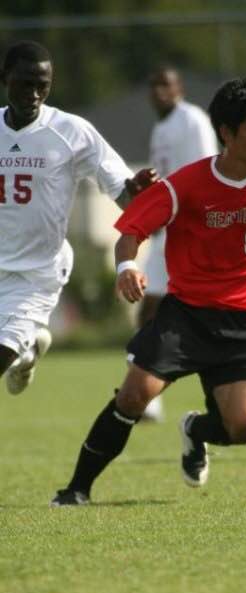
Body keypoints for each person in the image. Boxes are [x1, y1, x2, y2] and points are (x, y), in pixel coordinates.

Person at [51, 76, 246, 506]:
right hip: (185, 316)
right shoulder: (186, 184)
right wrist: (127, 267)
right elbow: (130, 230)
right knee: (133, 396)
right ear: (226, 133)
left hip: (244, 324)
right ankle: (76, 489)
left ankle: (195, 429)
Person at [0, 40, 156, 396]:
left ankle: (18, 346)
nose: (35, 93)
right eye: (26, 83)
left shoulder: (71, 132)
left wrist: (136, 192)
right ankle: (26, 351)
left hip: (34, 275)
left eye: (44, 85)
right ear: (4, 78)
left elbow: (124, 195)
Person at [140, 65, 219, 421]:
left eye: (166, 85)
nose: (160, 91)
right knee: (150, 307)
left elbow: (208, 170)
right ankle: (146, 395)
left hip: (190, 230)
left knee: (213, 314)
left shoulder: (193, 121)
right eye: (154, 85)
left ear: (180, 88)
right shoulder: (161, 127)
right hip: (167, 229)